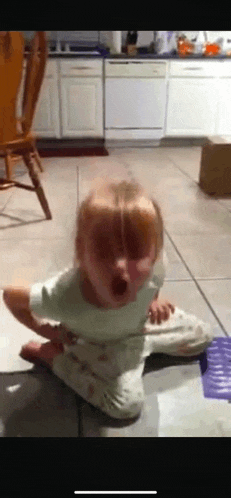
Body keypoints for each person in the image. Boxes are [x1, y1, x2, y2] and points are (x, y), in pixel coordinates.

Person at [3, 178, 214, 420]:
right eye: (103, 251)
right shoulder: (64, 295)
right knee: (125, 406)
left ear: (154, 251)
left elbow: (155, 282)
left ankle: (141, 349)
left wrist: (155, 300)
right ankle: (52, 358)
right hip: (96, 343)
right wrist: (47, 332)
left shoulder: (156, 265)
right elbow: (11, 296)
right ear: (82, 254)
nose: (120, 266)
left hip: (142, 327)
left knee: (204, 336)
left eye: (135, 251)